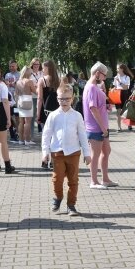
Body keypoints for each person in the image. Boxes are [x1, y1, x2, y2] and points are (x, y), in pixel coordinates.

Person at [41, 84, 92, 216]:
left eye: (67, 99)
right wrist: (45, 153)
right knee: (57, 179)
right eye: (61, 99)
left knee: (73, 180)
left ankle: (71, 205)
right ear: (57, 99)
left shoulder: (77, 116)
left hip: (74, 152)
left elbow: (82, 135)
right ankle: (58, 198)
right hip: (57, 153)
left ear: (72, 98)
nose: (64, 102)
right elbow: (46, 135)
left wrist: (87, 154)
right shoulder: (53, 116)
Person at [83, 62, 118, 189]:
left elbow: (97, 106)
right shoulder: (91, 87)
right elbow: (93, 108)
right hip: (96, 127)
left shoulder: (94, 87)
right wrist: (103, 128)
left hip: (102, 125)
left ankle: (105, 179)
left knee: (106, 151)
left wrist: (106, 106)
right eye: (104, 75)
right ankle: (94, 181)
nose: (105, 77)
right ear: (97, 73)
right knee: (95, 154)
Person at [37, 60, 61, 169]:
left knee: (46, 136)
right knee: (55, 136)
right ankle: (53, 160)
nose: (42, 69)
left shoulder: (42, 81)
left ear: (48, 68)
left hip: (45, 111)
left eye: (43, 67)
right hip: (57, 110)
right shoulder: (59, 80)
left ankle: (44, 159)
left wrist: (38, 114)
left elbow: (39, 98)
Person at [15, 65, 37, 146]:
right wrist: (37, 87)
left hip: (20, 100)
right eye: (30, 72)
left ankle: (21, 140)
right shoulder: (29, 81)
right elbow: (35, 92)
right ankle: (27, 140)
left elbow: (16, 93)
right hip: (27, 100)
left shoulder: (18, 81)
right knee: (27, 122)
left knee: (21, 122)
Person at [113, 63, 135, 132]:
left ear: (122, 69)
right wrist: (113, 88)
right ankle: (119, 127)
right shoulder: (115, 77)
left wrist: (119, 81)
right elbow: (115, 86)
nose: (116, 70)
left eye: (118, 68)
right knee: (118, 111)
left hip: (124, 93)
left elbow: (126, 87)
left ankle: (129, 125)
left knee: (126, 110)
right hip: (117, 94)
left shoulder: (126, 77)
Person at [4, 60, 21, 143]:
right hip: (9, 100)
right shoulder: (7, 75)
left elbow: (21, 85)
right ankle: (12, 134)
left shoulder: (20, 74)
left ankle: (18, 133)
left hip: (17, 100)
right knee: (9, 116)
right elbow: (5, 85)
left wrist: (14, 84)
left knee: (17, 117)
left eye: (13, 66)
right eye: (10, 66)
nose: (11, 68)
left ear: (17, 66)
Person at [29, 58, 43, 132]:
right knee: (32, 116)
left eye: (38, 64)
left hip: (41, 96)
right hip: (33, 96)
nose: (36, 66)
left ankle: (41, 131)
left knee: (40, 114)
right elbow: (29, 85)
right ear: (32, 65)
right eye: (35, 64)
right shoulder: (29, 73)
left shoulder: (42, 73)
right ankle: (31, 135)